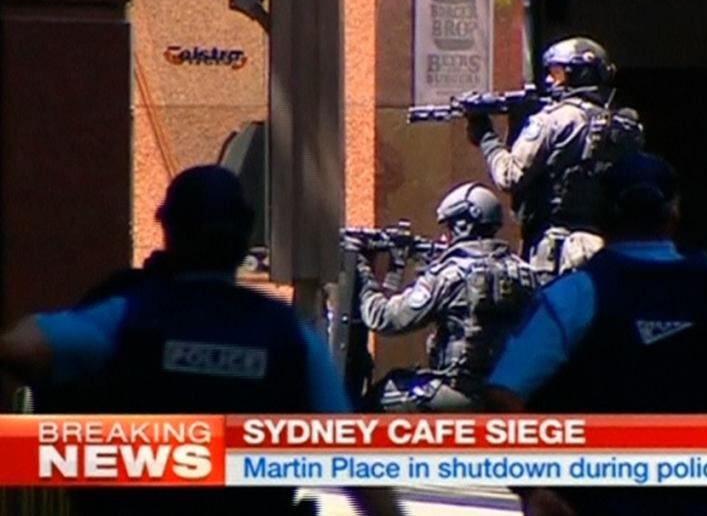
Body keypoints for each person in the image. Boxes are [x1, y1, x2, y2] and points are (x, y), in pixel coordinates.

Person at [0, 165, 404, 516]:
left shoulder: (126, 317)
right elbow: (358, 468)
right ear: (245, 236)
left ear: (168, 228)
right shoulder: (288, 336)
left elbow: (21, 348)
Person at [484, 153, 707, 516]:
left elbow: (502, 394)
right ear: (674, 212)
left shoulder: (575, 295)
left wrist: (536, 486)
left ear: (602, 216)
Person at [465, 36, 643, 279]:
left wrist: (487, 138)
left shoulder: (555, 119)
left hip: (553, 252)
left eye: (557, 74)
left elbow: (509, 176)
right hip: (607, 247)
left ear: (579, 75)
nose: (549, 81)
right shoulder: (625, 126)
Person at [353, 182, 539, 412]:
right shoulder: (525, 272)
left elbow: (384, 319)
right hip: (511, 394)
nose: (444, 237)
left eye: (449, 229)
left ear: (462, 227)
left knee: (379, 397)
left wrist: (363, 273)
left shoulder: (450, 275)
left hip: (461, 393)